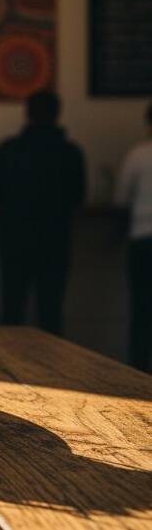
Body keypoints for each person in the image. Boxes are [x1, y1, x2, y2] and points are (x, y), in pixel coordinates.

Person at [0, 91, 86, 336]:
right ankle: (52, 372)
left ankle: (3, 370)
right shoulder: (71, 153)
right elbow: (79, 197)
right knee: (51, 313)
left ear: (27, 113)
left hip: (14, 239)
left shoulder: (9, 149)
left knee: (12, 311)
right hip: (55, 240)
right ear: (57, 114)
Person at [114, 102, 152, 373]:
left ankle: (138, 375)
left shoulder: (139, 155)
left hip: (144, 239)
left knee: (141, 313)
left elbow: (120, 198)